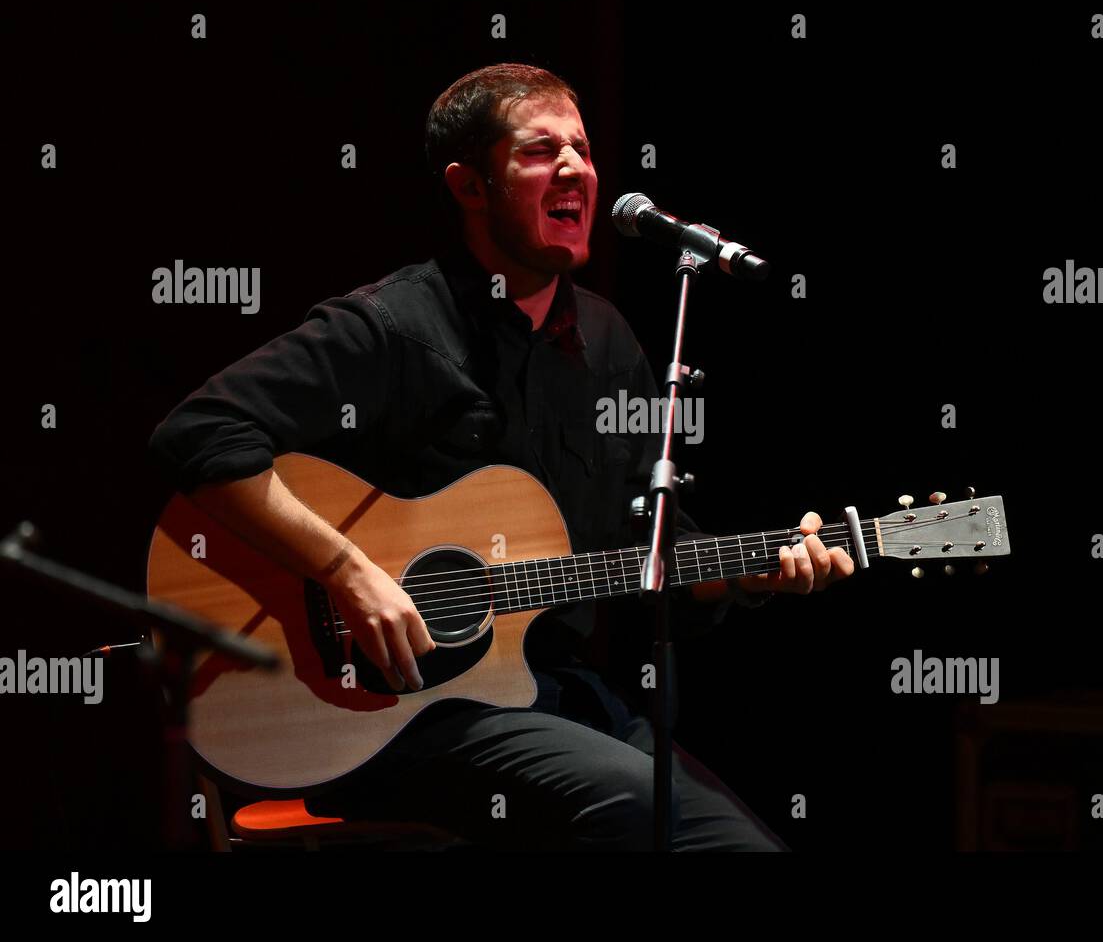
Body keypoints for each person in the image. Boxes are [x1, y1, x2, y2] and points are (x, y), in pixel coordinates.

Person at [149, 63, 854, 851]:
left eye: (581, 150)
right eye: (538, 150)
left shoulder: (608, 342)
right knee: (625, 806)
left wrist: (749, 571)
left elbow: (644, 544)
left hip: (552, 698)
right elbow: (200, 434)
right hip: (384, 711)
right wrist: (347, 571)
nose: (573, 169)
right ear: (470, 185)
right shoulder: (393, 327)